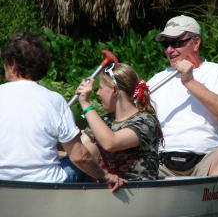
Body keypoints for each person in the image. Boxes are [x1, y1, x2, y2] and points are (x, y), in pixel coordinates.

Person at [0, 32, 126, 192]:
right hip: (46, 186)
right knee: (81, 163)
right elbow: (79, 156)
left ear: (12, 64)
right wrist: (105, 176)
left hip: (4, 184)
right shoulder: (54, 100)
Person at [147, 15, 218, 177]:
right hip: (162, 163)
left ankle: (210, 192)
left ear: (196, 43)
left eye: (176, 43)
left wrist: (189, 81)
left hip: (208, 161)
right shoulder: (156, 80)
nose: (169, 50)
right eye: (166, 44)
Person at [76, 62, 163, 181]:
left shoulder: (145, 121)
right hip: (106, 192)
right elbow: (81, 151)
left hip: (138, 192)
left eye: (101, 88)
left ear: (115, 91)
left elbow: (111, 143)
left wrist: (85, 104)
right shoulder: (105, 120)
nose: (97, 93)